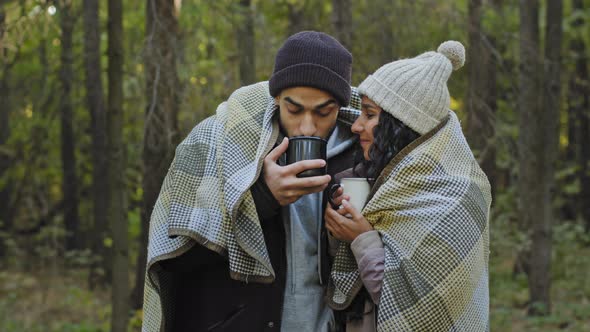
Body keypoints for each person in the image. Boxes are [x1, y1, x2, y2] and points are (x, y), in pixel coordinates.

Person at [142, 31, 361, 332]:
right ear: (276, 99)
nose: (306, 126)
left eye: (324, 112)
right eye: (294, 109)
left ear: (340, 106)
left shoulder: (364, 151)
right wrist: (260, 198)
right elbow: (172, 260)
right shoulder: (221, 141)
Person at [324, 41, 492, 331]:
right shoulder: (389, 180)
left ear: (398, 123)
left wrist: (362, 239)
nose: (356, 125)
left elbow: (420, 309)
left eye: (369, 114)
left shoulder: (455, 196)